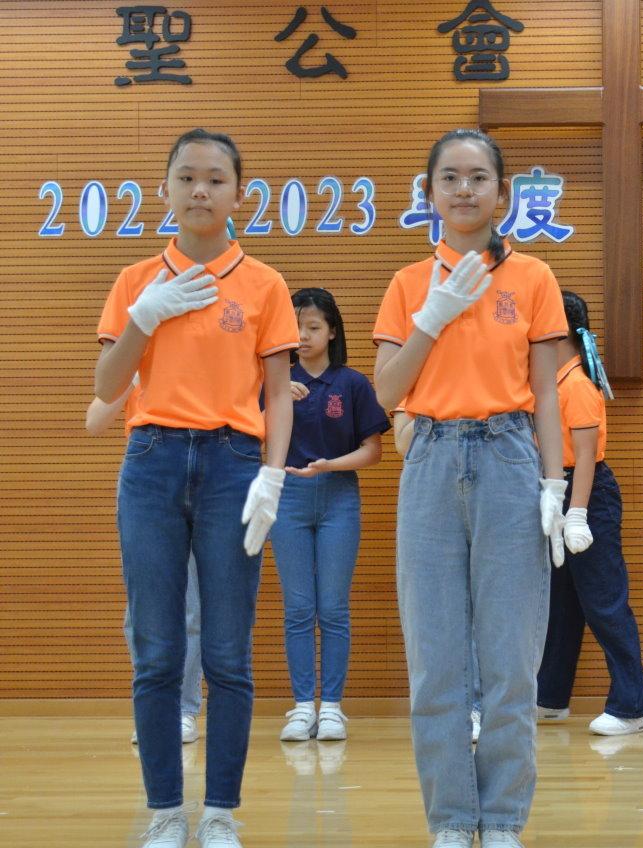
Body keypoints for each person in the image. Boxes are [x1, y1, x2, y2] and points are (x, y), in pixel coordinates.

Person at [95, 128, 296, 848]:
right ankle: (163, 812)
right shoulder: (135, 280)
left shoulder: (264, 284)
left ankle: (218, 813)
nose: (200, 190)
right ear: (165, 190)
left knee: (228, 653)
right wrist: (144, 317)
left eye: (215, 178)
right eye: (186, 177)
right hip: (151, 461)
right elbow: (107, 386)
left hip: (233, 464)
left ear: (240, 194)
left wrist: (272, 473)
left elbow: (280, 393)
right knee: (156, 650)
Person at [372, 128, 568, 848]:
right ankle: (453, 819)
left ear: (502, 194)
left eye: (478, 177)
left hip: (509, 457)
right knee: (436, 661)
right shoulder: (406, 284)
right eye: (449, 177)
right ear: (429, 193)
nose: (464, 189)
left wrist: (554, 484)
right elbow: (385, 393)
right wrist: (433, 315)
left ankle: (505, 817)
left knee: (512, 659)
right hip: (430, 458)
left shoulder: (534, 278)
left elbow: (546, 392)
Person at [272, 288, 389, 743]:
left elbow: (373, 450)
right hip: (289, 498)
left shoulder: (352, 383)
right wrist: (277, 397)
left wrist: (330, 465)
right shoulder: (275, 381)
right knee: (299, 607)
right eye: (296, 327)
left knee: (334, 607)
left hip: (339, 496)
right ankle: (303, 706)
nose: (303, 336)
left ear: (333, 331)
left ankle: (333, 708)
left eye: (313, 327)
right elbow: (253, 436)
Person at [536, 290, 643, 736]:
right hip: (557, 490)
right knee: (561, 604)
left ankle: (631, 707)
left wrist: (578, 514)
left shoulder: (578, 384)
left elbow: (585, 457)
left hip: (586, 496)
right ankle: (550, 697)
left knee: (604, 602)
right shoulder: (552, 381)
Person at [87, 383, 204, 746]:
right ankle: (155, 709)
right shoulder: (133, 364)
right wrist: (132, 379)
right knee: (141, 611)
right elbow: (95, 421)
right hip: (147, 479)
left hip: (204, 473)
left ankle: (183, 709)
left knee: (191, 608)